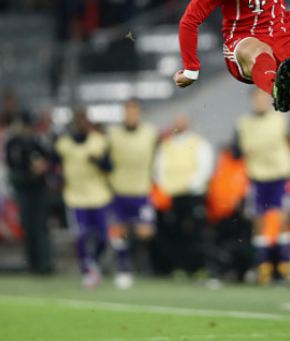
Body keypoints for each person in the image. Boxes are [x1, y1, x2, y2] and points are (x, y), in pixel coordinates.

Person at [233, 89, 290, 284]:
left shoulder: (281, 119)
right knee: (259, 222)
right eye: (257, 98)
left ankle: (284, 265)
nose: (260, 101)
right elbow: (236, 150)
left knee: (283, 218)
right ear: (252, 101)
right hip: (258, 178)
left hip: (280, 176)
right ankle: (264, 266)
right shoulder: (243, 123)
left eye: (263, 97)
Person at [53, 107, 112, 289]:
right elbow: (54, 166)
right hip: (75, 197)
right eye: (80, 120)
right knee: (81, 237)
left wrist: (97, 161)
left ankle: (92, 263)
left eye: (86, 120)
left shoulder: (99, 142)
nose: (83, 124)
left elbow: (110, 166)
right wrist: (57, 178)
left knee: (103, 237)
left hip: (98, 196)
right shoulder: (64, 144)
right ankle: (87, 272)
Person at [153, 113, 214, 278]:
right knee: (175, 233)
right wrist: (167, 188)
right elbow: (159, 169)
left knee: (196, 233)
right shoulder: (166, 145)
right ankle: (180, 267)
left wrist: (188, 185)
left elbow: (204, 168)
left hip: (192, 195)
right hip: (172, 196)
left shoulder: (198, 143)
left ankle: (198, 267)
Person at [106, 100, 159, 289]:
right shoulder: (113, 134)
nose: (131, 116)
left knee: (146, 232)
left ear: (140, 114)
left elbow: (156, 156)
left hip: (141, 191)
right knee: (118, 233)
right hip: (119, 191)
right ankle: (123, 268)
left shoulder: (150, 133)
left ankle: (139, 262)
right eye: (128, 112)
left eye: (134, 112)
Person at [5, 112, 53, 274]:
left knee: (41, 227)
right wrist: (29, 172)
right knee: (29, 227)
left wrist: (43, 166)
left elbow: (50, 158)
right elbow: (12, 167)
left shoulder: (37, 141)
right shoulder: (13, 143)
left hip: (38, 189)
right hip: (23, 189)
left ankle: (45, 264)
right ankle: (33, 264)